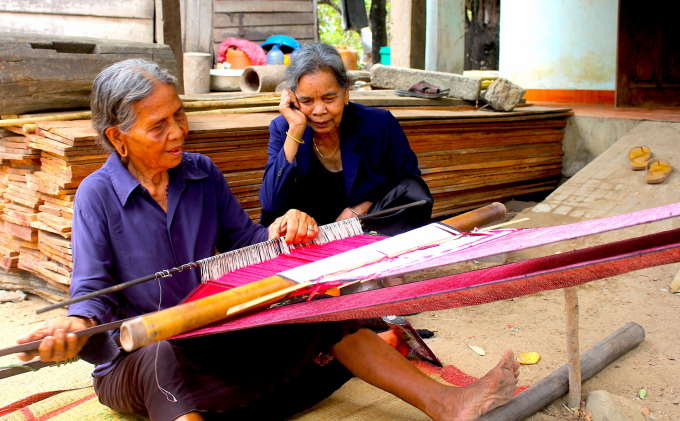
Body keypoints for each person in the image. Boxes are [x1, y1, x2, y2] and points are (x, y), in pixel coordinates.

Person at [16, 59, 520, 421]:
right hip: (136, 362)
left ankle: (446, 404)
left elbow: (250, 241)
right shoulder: (96, 196)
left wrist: (285, 230)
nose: (179, 132)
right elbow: (90, 292)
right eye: (159, 125)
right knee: (161, 357)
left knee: (323, 308)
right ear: (116, 137)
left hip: (209, 336)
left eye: (180, 115)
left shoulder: (200, 174)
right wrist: (73, 329)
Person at [259, 43, 434, 236]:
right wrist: (296, 131)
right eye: (307, 101)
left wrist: (361, 209)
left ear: (346, 91)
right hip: (306, 237)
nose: (318, 111)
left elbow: (410, 189)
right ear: (293, 98)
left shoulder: (379, 124)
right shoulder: (285, 128)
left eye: (328, 99)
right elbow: (270, 203)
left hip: (367, 229)